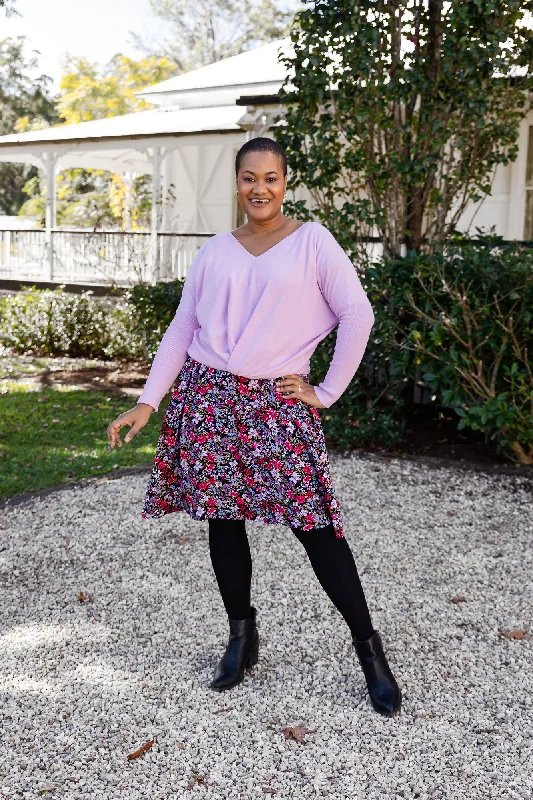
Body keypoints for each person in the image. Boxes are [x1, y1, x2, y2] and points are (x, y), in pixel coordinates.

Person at [106, 137, 401, 717]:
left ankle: (369, 651)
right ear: (236, 183)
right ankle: (242, 638)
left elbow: (357, 314)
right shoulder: (216, 251)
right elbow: (183, 328)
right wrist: (148, 400)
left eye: (270, 177)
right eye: (248, 178)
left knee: (317, 528)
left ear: (285, 182)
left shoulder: (312, 241)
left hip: (278, 403)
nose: (258, 188)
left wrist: (327, 392)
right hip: (209, 398)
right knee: (223, 522)